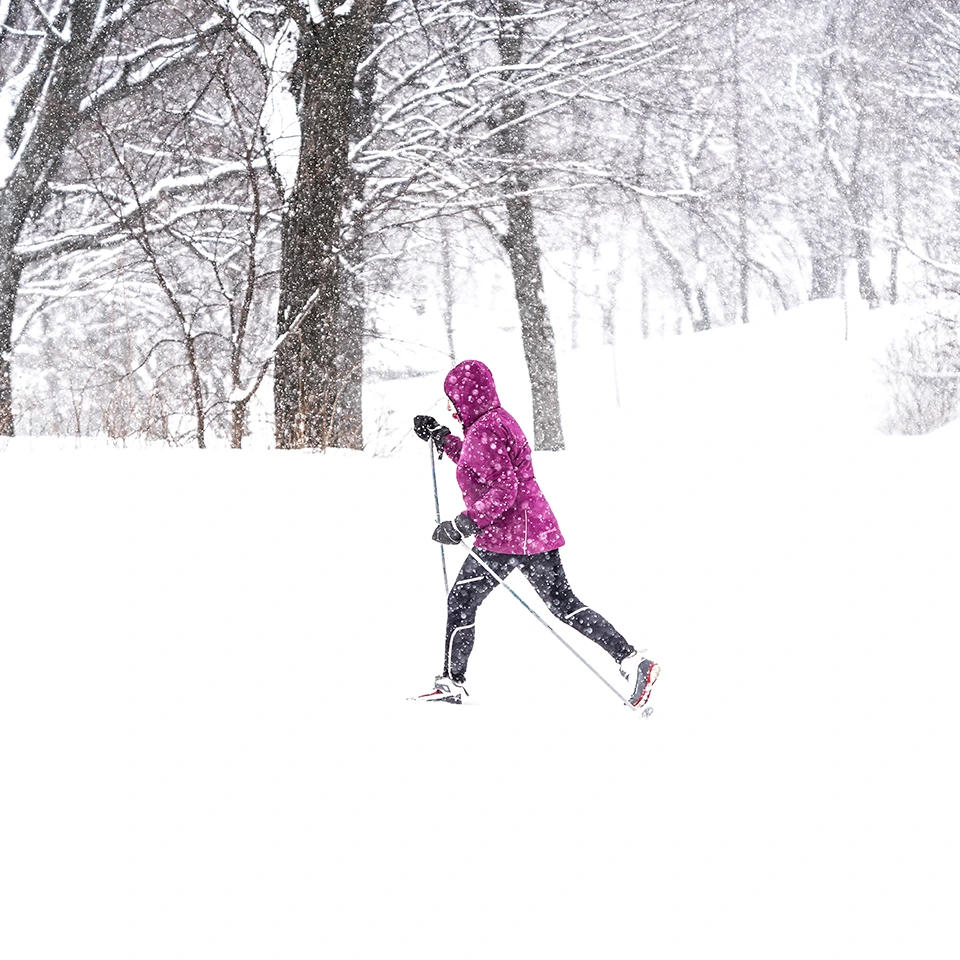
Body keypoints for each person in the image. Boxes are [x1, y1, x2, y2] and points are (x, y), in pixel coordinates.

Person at [413, 359, 659, 707]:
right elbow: (478, 464)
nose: (452, 408)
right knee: (564, 604)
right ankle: (632, 660)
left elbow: (503, 490)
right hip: (532, 530)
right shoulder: (495, 422)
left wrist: (463, 524)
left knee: (462, 600)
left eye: (453, 400)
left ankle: (452, 683)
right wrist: (443, 438)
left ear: (465, 396)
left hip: (507, 536)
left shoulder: (484, 431)